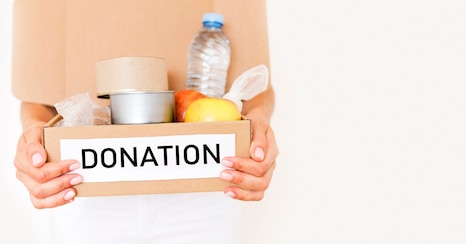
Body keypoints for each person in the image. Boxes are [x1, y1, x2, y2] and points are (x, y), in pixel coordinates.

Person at [11, 0, 278, 243]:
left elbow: (257, 87)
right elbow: (38, 93)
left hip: (204, 184)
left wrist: (257, 125)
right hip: (88, 187)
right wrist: (35, 137)